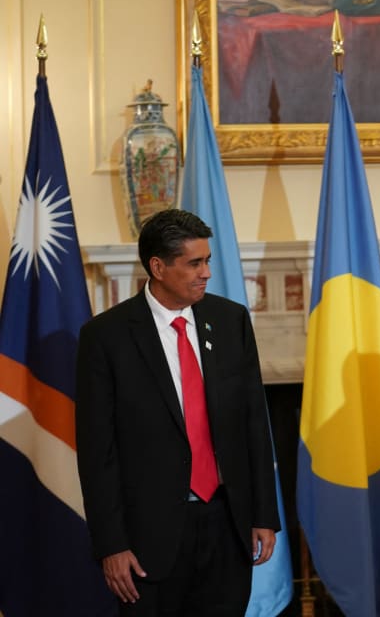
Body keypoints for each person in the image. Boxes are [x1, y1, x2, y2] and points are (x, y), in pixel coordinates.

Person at [75, 209, 280, 616]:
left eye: (207, 261)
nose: (205, 272)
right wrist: (111, 544)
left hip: (227, 524)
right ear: (158, 266)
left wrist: (263, 515)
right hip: (150, 536)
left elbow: (253, 423)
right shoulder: (106, 336)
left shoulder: (230, 320)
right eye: (194, 263)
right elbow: (98, 451)